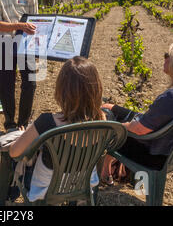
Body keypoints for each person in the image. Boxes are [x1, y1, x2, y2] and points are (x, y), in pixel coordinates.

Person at [101, 41, 173, 181]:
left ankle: (105, 172)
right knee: (111, 108)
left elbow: (139, 130)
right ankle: (116, 168)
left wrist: (117, 127)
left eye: (167, 55)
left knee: (110, 128)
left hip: (153, 155)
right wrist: (118, 111)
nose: (164, 58)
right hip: (170, 150)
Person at [8, 56, 112, 202]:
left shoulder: (47, 122)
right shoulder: (105, 119)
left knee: (18, 159)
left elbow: (14, 152)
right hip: (83, 184)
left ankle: (8, 197)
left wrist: (25, 134)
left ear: (62, 89)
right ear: (96, 88)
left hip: (47, 189)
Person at [0, 0, 39, 131]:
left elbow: (36, 20)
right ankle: (10, 123)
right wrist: (20, 25)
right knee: (5, 84)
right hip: (5, 42)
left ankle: (23, 123)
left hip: (26, 42)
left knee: (30, 82)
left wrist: (37, 46)